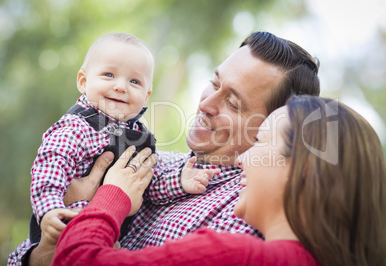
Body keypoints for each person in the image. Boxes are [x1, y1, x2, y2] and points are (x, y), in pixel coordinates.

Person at [9, 31, 320, 265]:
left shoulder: (246, 213)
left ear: (273, 123)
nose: (206, 104)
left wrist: (106, 198)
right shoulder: (160, 162)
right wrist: (42, 248)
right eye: (214, 83)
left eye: (233, 103)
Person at [52, 95, 386, 265]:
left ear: (300, 171)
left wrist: (112, 194)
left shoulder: (233, 254)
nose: (243, 159)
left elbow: (76, 259)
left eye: (259, 143)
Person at [8, 32, 218, 266]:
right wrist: (50, 210)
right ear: (83, 81)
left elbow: (146, 184)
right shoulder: (76, 128)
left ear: (146, 95)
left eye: (134, 82)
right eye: (109, 75)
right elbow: (48, 171)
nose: (120, 87)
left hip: (104, 243)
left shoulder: (141, 137)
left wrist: (179, 181)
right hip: (61, 230)